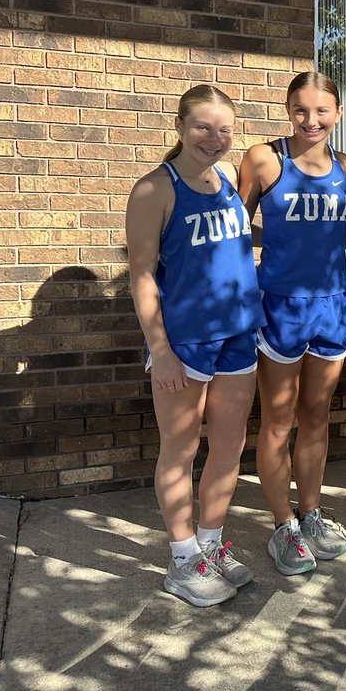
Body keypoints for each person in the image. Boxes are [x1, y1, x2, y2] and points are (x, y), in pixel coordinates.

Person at [125, 84, 261, 607]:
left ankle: (210, 544)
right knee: (180, 450)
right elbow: (141, 275)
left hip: (238, 334)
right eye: (203, 127)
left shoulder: (226, 179)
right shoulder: (153, 189)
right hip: (184, 341)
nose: (214, 138)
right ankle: (182, 559)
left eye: (223, 129)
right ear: (181, 125)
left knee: (229, 447)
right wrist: (159, 349)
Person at [237, 72, 346, 576]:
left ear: (338, 114)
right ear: (288, 109)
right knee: (278, 421)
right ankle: (282, 525)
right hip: (280, 305)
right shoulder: (264, 158)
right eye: (301, 110)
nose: (312, 120)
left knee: (317, 416)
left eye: (322, 110)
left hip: (332, 305)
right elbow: (235, 230)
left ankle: (310, 514)